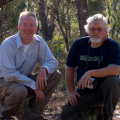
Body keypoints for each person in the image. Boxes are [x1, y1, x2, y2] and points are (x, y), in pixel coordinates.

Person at [0, 11, 61, 120]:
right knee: (20, 91)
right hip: (4, 82)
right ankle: (3, 114)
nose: (28, 28)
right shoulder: (8, 45)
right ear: (19, 27)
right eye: (25, 25)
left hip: (24, 82)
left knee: (55, 75)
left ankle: (32, 114)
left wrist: (44, 69)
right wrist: (34, 86)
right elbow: (9, 75)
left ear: (36, 28)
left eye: (32, 25)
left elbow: (52, 61)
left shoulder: (38, 42)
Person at [60, 14, 120, 120]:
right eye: (92, 29)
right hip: (84, 93)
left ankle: (108, 115)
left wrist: (90, 73)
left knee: (113, 80)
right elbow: (69, 68)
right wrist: (71, 93)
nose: (95, 32)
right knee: (65, 114)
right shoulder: (79, 44)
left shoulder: (112, 46)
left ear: (106, 32)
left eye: (99, 29)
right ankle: (95, 110)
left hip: (104, 94)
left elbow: (115, 70)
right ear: (88, 30)